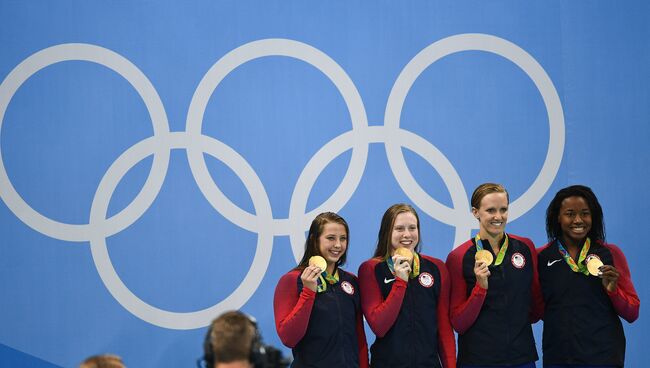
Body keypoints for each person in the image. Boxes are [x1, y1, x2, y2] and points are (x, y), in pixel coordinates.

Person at [537, 185, 639, 367]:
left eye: (585, 213)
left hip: (604, 357)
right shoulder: (541, 257)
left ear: (593, 217)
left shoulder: (610, 254)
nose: (578, 220)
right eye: (570, 213)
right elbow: (536, 310)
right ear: (558, 218)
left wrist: (613, 292)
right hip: (559, 357)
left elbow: (632, 312)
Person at [445, 183, 542, 367]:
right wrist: (480, 288)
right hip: (478, 360)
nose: (498, 217)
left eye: (503, 209)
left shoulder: (525, 248)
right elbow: (458, 322)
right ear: (475, 212)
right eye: (490, 210)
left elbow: (535, 305)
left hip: (521, 358)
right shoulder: (459, 257)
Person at [358, 203, 455, 368]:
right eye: (399, 229)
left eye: (412, 228)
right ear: (387, 232)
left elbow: (444, 328)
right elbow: (379, 326)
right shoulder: (371, 269)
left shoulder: (437, 268)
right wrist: (400, 282)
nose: (407, 234)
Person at [273, 212, 369, 367]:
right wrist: (308, 292)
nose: (338, 245)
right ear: (314, 240)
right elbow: (288, 338)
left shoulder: (351, 281)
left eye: (343, 238)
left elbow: (359, 336)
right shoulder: (292, 280)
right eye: (331, 238)